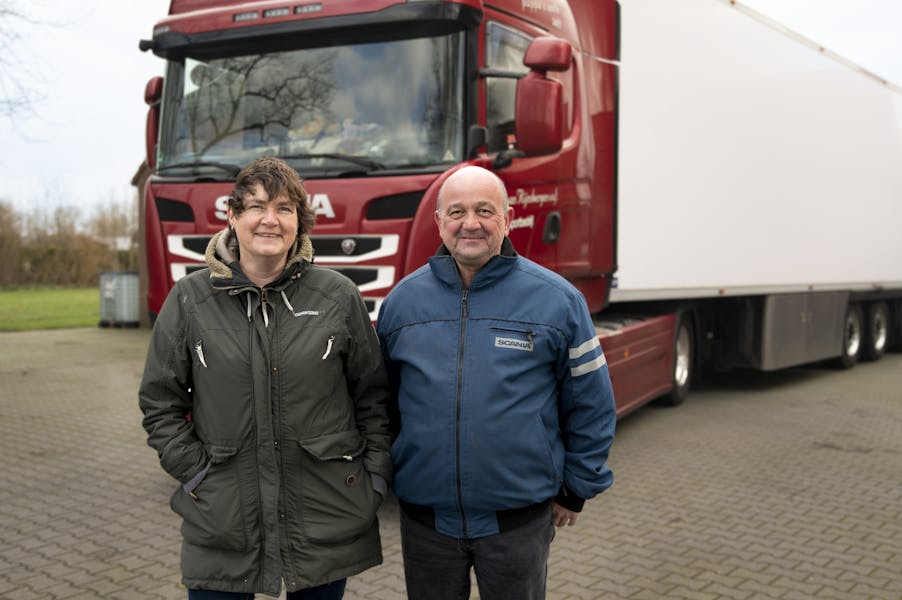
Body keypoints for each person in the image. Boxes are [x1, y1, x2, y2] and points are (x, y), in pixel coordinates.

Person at [139, 156, 392, 599]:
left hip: (324, 515)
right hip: (222, 517)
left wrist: (373, 479)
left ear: (300, 223)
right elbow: (160, 403)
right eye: (256, 207)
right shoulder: (189, 300)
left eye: (284, 209)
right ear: (233, 216)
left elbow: (373, 398)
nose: (269, 220)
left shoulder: (338, 295)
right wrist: (197, 474)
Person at [376, 165, 616, 600]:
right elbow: (382, 404)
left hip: (517, 524)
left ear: (507, 218)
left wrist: (578, 487)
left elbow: (592, 403)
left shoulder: (558, 301)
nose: (470, 223)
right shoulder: (402, 304)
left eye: (484, 210)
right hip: (426, 524)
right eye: (457, 211)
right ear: (439, 221)